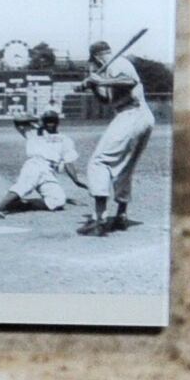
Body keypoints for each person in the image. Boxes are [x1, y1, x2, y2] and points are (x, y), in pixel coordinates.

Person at [79, 42, 156, 237]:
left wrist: (100, 80)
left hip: (132, 115)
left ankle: (100, 218)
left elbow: (129, 81)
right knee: (124, 167)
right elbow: (107, 100)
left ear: (96, 57)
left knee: (99, 162)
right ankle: (121, 215)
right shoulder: (109, 70)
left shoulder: (117, 62)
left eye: (93, 63)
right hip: (138, 117)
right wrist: (94, 86)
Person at [0, 112, 84, 217]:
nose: (50, 124)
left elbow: (68, 161)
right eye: (48, 121)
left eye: (53, 121)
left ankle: (15, 205)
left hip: (49, 172)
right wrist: (38, 120)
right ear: (43, 122)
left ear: (57, 122)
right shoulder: (34, 132)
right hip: (35, 164)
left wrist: (76, 180)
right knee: (24, 185)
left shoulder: (65, 139)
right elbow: (17, 119)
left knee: (57, 201)